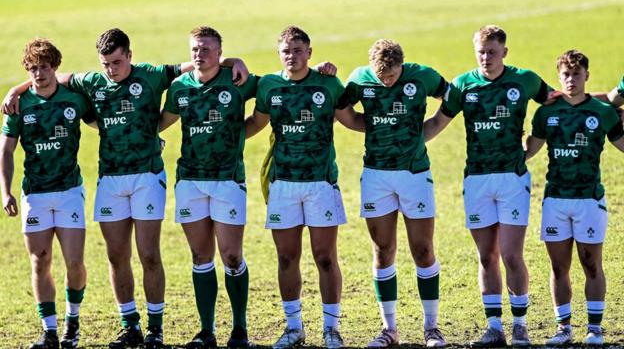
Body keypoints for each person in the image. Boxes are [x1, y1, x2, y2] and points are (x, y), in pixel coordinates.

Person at [1, 28, 248, 349]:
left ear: (129, 56)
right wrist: (15, 90)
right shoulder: (92, 82)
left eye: (117, 62)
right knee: (117, 256)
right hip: (110, 179)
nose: (111, 69)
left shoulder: (151, 75)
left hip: (147, 177)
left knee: (148, 254)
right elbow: (50, 77)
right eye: (106, 64)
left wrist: (234, 60)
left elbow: (198, 65)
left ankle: (155, 330)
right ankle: (130, 325)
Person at [424, 25, 553, 348]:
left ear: (504, 52)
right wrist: (404, 142)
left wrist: (531, 147)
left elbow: (557, 101)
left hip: (512, 179)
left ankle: (520, 326)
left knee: (511, 255)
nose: (486, 58)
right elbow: (439, 121)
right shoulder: (463, 85)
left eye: (492, 52)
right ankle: (494, 327)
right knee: (486, 257)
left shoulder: (524, 80)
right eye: (481, 52)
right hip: (477, 179)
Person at [244, 26, 363, 349]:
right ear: (279, 54)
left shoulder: (327, 83)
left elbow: (350, 119)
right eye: (286, 51)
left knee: (325, 257)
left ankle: (331, 329)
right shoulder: (269, 85)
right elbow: (255, 123)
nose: (292, 57)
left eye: (298, 51)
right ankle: (294, 328)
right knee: (286, 258)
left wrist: (388, 128)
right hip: (283, 183)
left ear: (309, 52)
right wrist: (220, 139)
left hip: (321, 183)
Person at [343, 39, 447, 348]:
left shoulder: (422, 76)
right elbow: (343, 111)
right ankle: (389, 329)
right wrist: (373, 126)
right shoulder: (360, 79)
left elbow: (453, 96)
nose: (386, 82)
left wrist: (431, 128)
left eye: (392, 76)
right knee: (382, 250)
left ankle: (432, 327)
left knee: (423, 250)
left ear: (402, 65)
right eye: (381, 77)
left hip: (415, 174)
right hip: (376, 175)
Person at [159, 26, 257, 349]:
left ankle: (240, 328)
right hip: (190, 179)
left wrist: (237, 61)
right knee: (201, 256)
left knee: (231, 256)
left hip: (228, 179)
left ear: (219, 52)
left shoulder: (237, 80)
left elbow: (272, 94)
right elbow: (162, 121)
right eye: (194, 50)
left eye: (205, 49)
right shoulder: (179, 88)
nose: (199, 55)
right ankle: (206, 331)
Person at [525, 50, 624, 346]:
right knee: (558, 267)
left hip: (589, 200)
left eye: (576, 74)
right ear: (559, 77)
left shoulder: (602, 112)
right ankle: (563, 329)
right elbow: (530, 149)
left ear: (587, 76)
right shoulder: (546, 113)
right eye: (566, 75)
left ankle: (595, 329)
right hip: (555, 200)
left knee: (591, 264)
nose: (571, 80)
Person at [0, 38, 91, 349]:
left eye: (45, 67)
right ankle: (50, 331)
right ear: (28, 71)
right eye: (33, 69)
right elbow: (7, 151)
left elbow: (105, 125)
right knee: (40, 260)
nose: (39, 74)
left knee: (74, 262)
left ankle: (73, 322)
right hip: (35, 193)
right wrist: (5, 192)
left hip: (69, 191)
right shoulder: (18, 106)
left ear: (55, 67)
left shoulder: (74, 100)